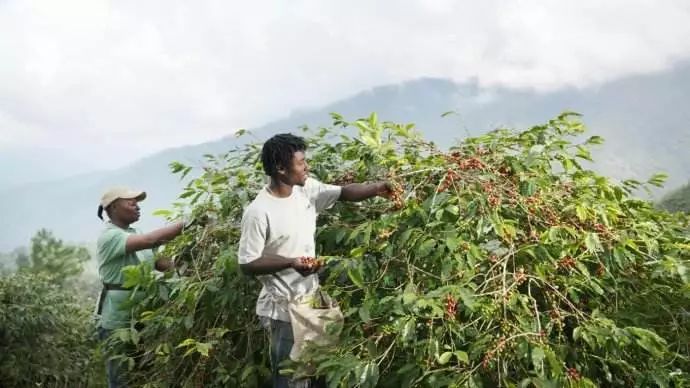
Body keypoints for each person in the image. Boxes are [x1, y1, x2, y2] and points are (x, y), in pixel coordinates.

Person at [238, 133, 391, 388]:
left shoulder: (306, 190)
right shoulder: (258, 212)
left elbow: (344, 193)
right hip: (283, 310)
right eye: (300, 163)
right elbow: (248, 263)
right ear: (280, 169)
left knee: (319, 372)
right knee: (290, 377)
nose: (306, 167)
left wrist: (377, 188)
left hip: (311, 301)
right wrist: (291, 262)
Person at [95, 187, 185, 388]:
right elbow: (150, 240)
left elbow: (160, 263)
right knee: (121, 380)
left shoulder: (135, 233)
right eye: (131, 201)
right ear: (113, 207)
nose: (137, 205)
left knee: (145, 377)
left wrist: (189, 266)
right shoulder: (110, 236)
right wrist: (186, 224)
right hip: (117, 322)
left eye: (138, 201)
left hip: (144, 317)